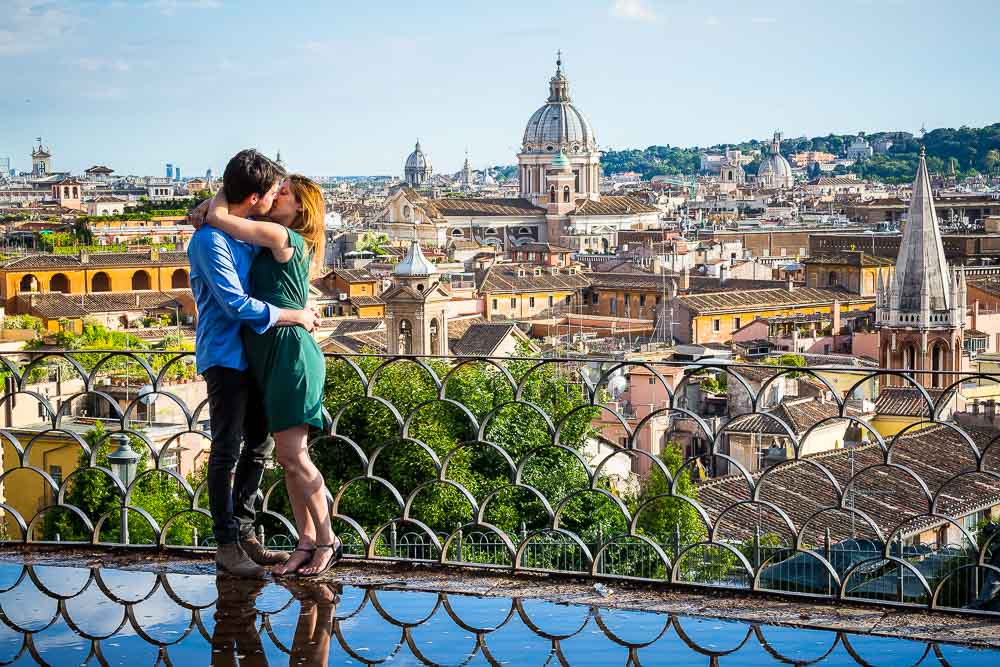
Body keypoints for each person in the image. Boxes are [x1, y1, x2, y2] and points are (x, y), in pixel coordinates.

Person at [200, 173, 342, 577]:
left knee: (295, 457)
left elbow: (223, 220)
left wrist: (230, 191)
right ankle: (305, 542)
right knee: (288, 457)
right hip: (271, 355)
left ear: (301, 208)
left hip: (290, 355)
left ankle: (328, 540)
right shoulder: (272, 239)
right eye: (275, 190)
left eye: (284, 193)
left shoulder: (284, 240)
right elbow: (213, 218)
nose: (276, 196)